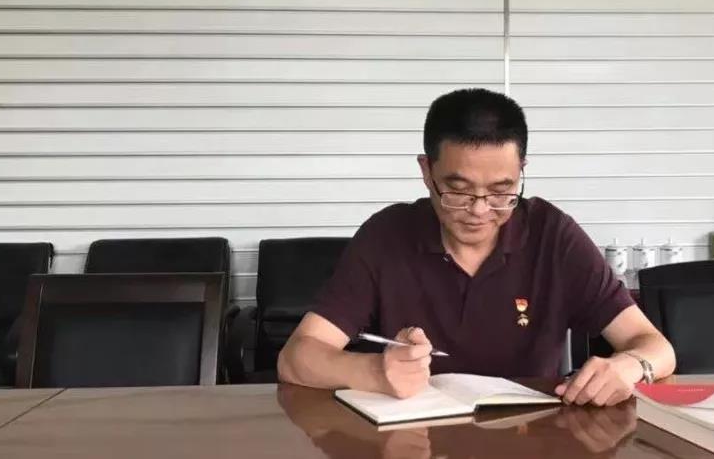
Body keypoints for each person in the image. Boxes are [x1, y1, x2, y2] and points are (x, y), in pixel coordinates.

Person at [278, 88, 675, 406]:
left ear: (521, 171)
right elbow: (296, 358)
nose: (480, 211)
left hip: (531, 443)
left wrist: (629, 366)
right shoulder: (387, 236)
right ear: (426, 171)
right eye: (459, 191)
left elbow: (656, 347)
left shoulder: (553, 236)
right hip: (415, 442)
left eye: (502, 191)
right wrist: (374, 372)